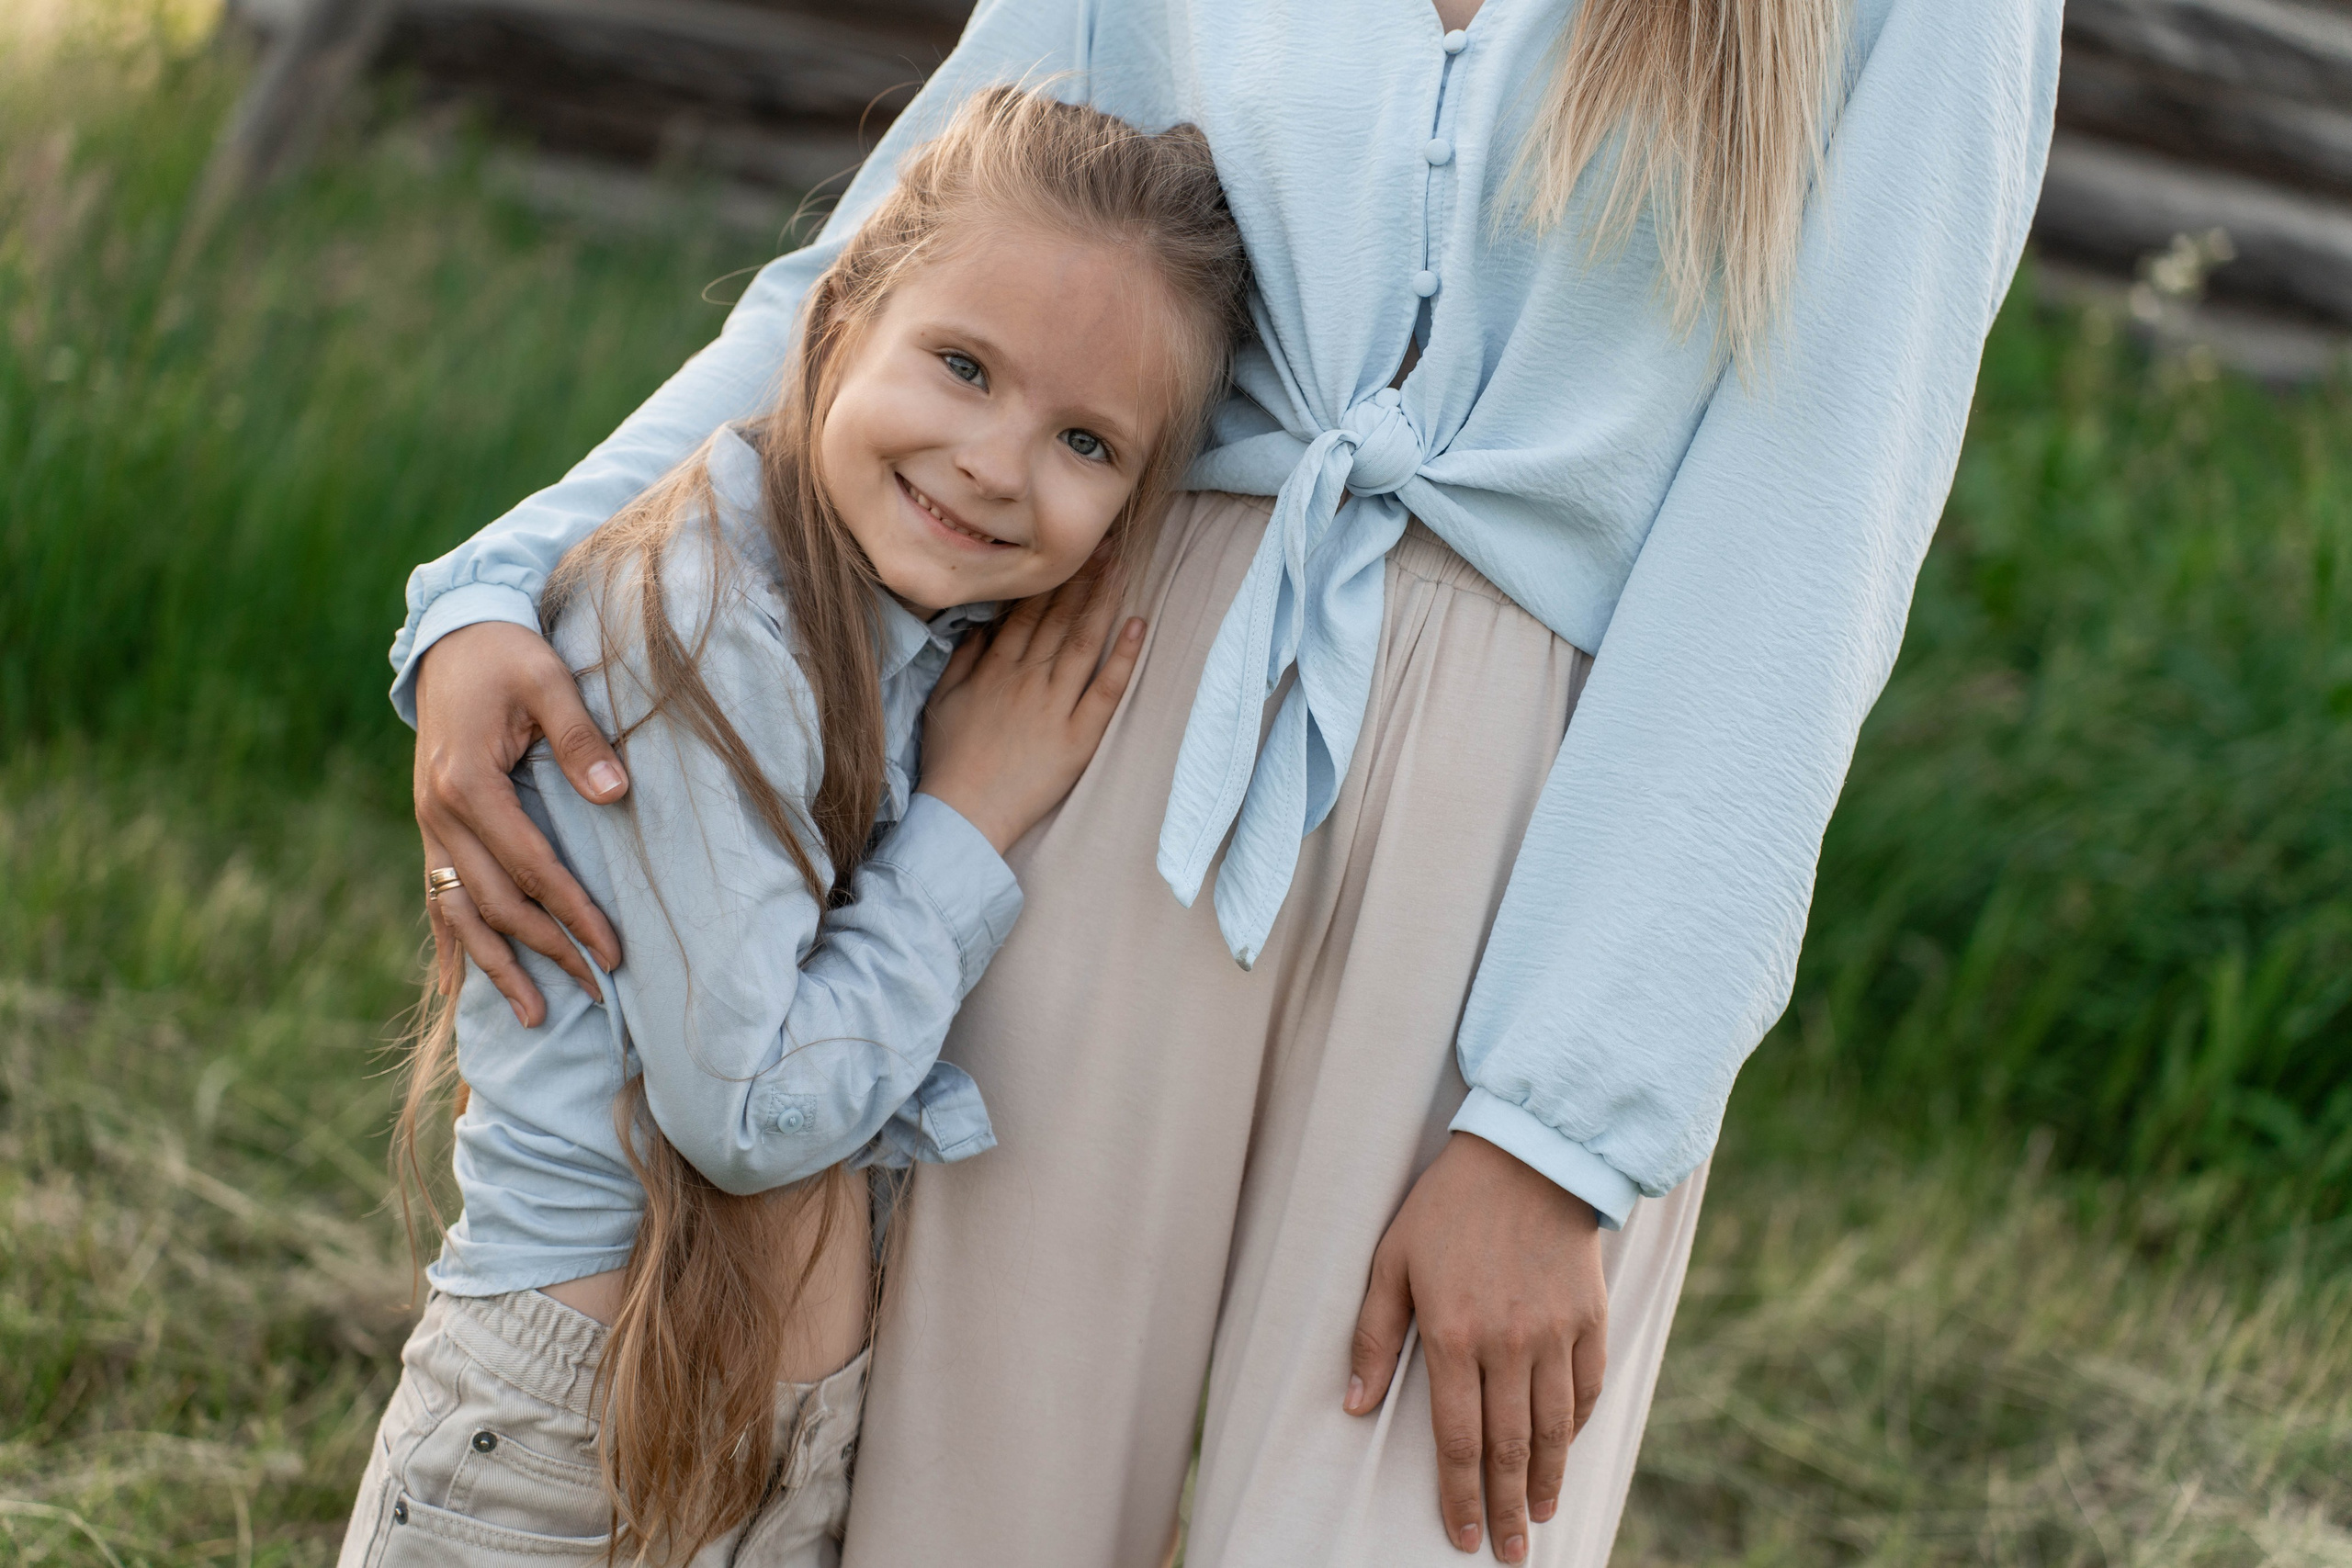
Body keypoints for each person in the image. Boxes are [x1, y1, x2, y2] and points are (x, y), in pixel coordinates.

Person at [395, 0, 2062, 1562]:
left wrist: (1567, 1124)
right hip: (1102, 729)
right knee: (974, 1512)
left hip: (1527, 852)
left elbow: (1810, 538)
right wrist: (497, 582)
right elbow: (891, 259)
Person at [340, 88, 1249, 1568]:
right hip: (564, 1444)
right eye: (963, 365)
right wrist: (965, 823)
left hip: (773, 1427)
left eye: (1086, 441)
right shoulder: (701, 626)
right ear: (840, 323)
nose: (996, 462)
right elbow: (743, 1115)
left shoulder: (917, 640)